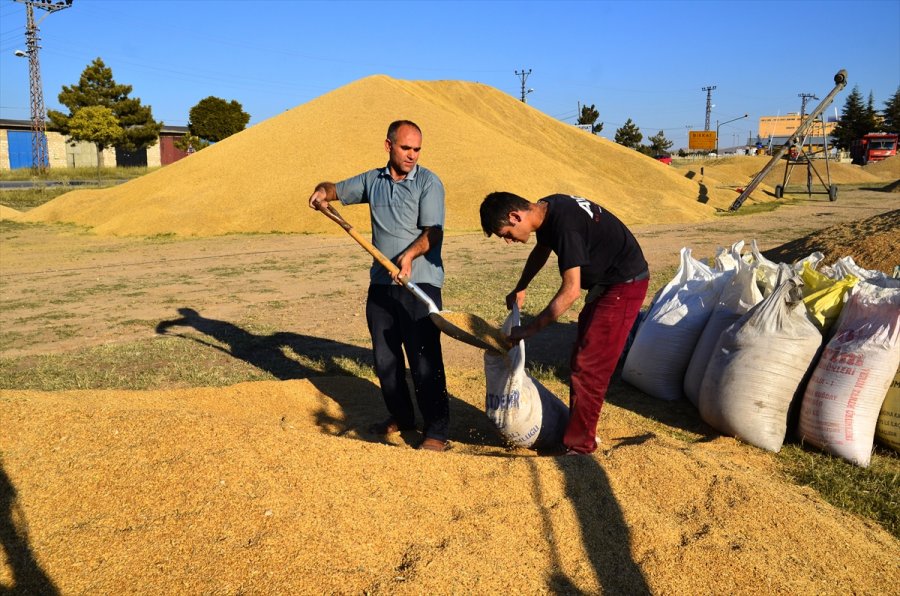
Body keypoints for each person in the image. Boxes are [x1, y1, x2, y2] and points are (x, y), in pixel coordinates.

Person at [308, 120, 450, 452]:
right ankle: (401, 416)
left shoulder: (429, 183)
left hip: (420, 284)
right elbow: (334, 190)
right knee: (386, 360)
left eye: (417, 149)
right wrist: (320, 192)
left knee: (424, 359)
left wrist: (409, 257)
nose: (412, 155)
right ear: (389, 146)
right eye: (405, 148)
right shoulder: (374, 180)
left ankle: (437, 430)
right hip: (382, 283)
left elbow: (434, 233)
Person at [479, 192, 649, 456]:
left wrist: (530, 328)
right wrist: (521, 286)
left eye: (506, 234)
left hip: (623, 284)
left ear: (515, 216)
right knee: (583, 358)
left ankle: (579, 448)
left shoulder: (565, 226)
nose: (508, 241)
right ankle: (578, 434)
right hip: (606, 284)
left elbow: (570, 292)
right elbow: (542, 249)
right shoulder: (547, 207)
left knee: (590, 365)